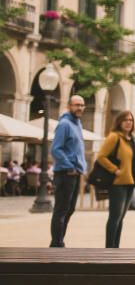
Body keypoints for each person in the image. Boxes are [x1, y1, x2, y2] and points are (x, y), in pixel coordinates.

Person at [95, 110, 135, 248]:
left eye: (131, 120)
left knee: (121, 217)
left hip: (130, 182)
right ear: (119, 122)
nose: (129, 122)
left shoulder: (133, 140)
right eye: (125, 120)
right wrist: (115, 170)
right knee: (115, 217)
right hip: (117, 183)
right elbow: (101, 156)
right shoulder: (114, 137)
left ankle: (116, 247)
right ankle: (109, 248)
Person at [49, 95, 87, 248]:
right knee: (61, 210)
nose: (80, 108)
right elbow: (56, 149)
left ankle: (59, 241)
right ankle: (56, 244)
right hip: (65, 174)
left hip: (75, 173)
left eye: (82, 105)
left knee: (70, 209)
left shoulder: (77, 124)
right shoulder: (64, 124)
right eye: (77, 105)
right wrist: (69, 166)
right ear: (69, 106)